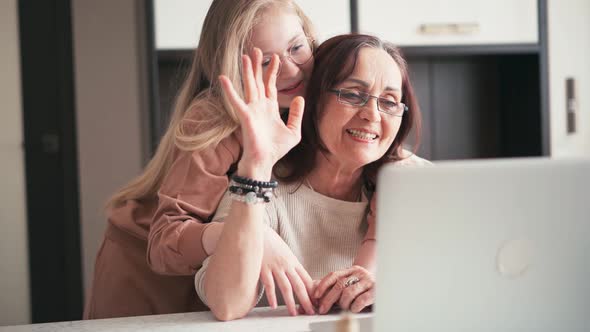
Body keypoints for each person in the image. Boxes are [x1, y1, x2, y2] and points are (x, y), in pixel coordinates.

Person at [84, 0, 376, 319]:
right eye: (264, 62)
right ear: (232, 69)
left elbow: (388, 153)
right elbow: (165, 241)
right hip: (146, 268)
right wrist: (258, 236)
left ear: (309, 38)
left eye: (295, 48)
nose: (290, 70)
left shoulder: (316, 95)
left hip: (216, 273)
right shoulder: (216, 122)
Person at [194, 33, 430, 321]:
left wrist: (394, 288)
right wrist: (256, 166)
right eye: (353, 95)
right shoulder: (260, 188)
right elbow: (227, 303)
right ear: (313, 99)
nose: (373, 115)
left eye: (390, 102)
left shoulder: (414, 182)